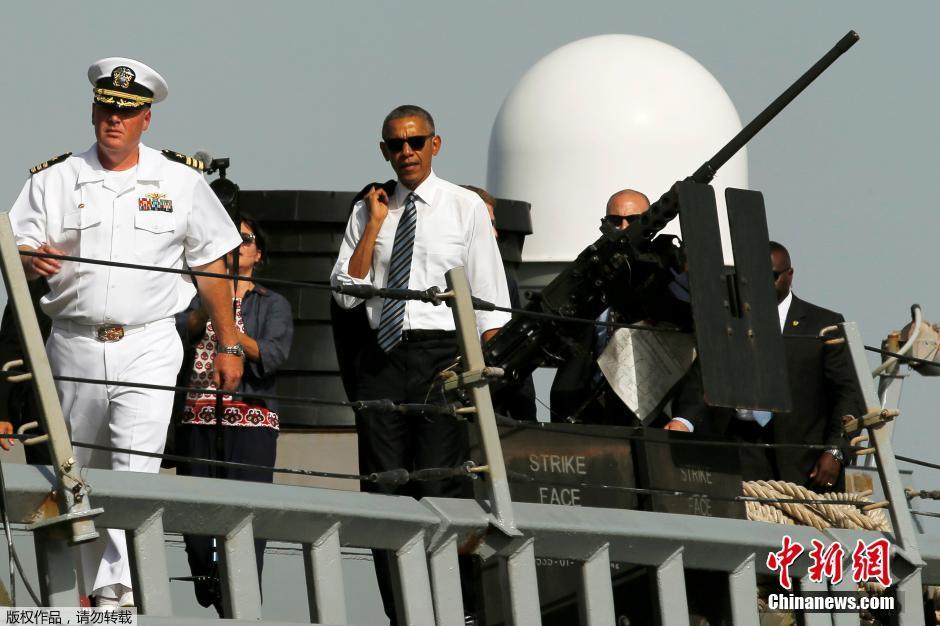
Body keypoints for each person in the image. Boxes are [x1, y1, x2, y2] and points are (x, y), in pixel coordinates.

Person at [10, 57, 243, 607]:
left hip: (148, 343)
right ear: (94, 111)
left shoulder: (180, 180)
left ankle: (116, 594)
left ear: (146, 120)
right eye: (106, 109)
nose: (114, 120)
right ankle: (85, 598)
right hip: (73, 343)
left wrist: (229, 341)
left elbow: (212, 263)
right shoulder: (53, 179)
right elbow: (14, 246)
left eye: (127, 112)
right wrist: (27, 260)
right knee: (77, 474)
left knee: (134, 470)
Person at [331, 105, 510, 625]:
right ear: (383, 151)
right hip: (381, 355)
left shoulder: (464, 207)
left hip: (441, 355)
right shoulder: (370, 208)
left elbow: (490, 300)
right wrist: (375, 225)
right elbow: (346, 293)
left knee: (441, 486)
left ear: (435, 143)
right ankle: (401, 614)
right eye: (394, 145)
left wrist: (480, 373)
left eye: (415, 141)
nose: (405, 152)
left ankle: (455, 611)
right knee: (385, 489)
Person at [665, 241, 863, 491]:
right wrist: (684, 420)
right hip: (736, 446)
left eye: (771, 276)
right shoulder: (728, 320)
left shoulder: (824, 325)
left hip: (801, 459)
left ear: (789, 275)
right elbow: (704, 376)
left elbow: (847, 394)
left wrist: (836, 451)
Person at [176, 216, 293, 615]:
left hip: (251, 420)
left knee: (246, 518)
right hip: (197, 417)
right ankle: (207, 581)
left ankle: (240, 604)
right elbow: (178, 333)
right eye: (231, 239)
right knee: (192, 521)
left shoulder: (272, 302)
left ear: (258, 253)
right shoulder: (197, 293)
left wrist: (229, 331)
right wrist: (210, 305)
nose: (237, 245)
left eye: (246, 240)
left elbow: (274, 354)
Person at [550, 189, 650, 424]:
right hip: (584, 410)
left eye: (633, 220)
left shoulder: (662, 277)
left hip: (643, 411)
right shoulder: (589, 272)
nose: (623, 227)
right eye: (615, 221)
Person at [461, 184, 537, 421]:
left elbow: (513, 352)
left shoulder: (505, 281)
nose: (495, 234)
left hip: (495, 409)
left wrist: (526, 423)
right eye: (488, 224)